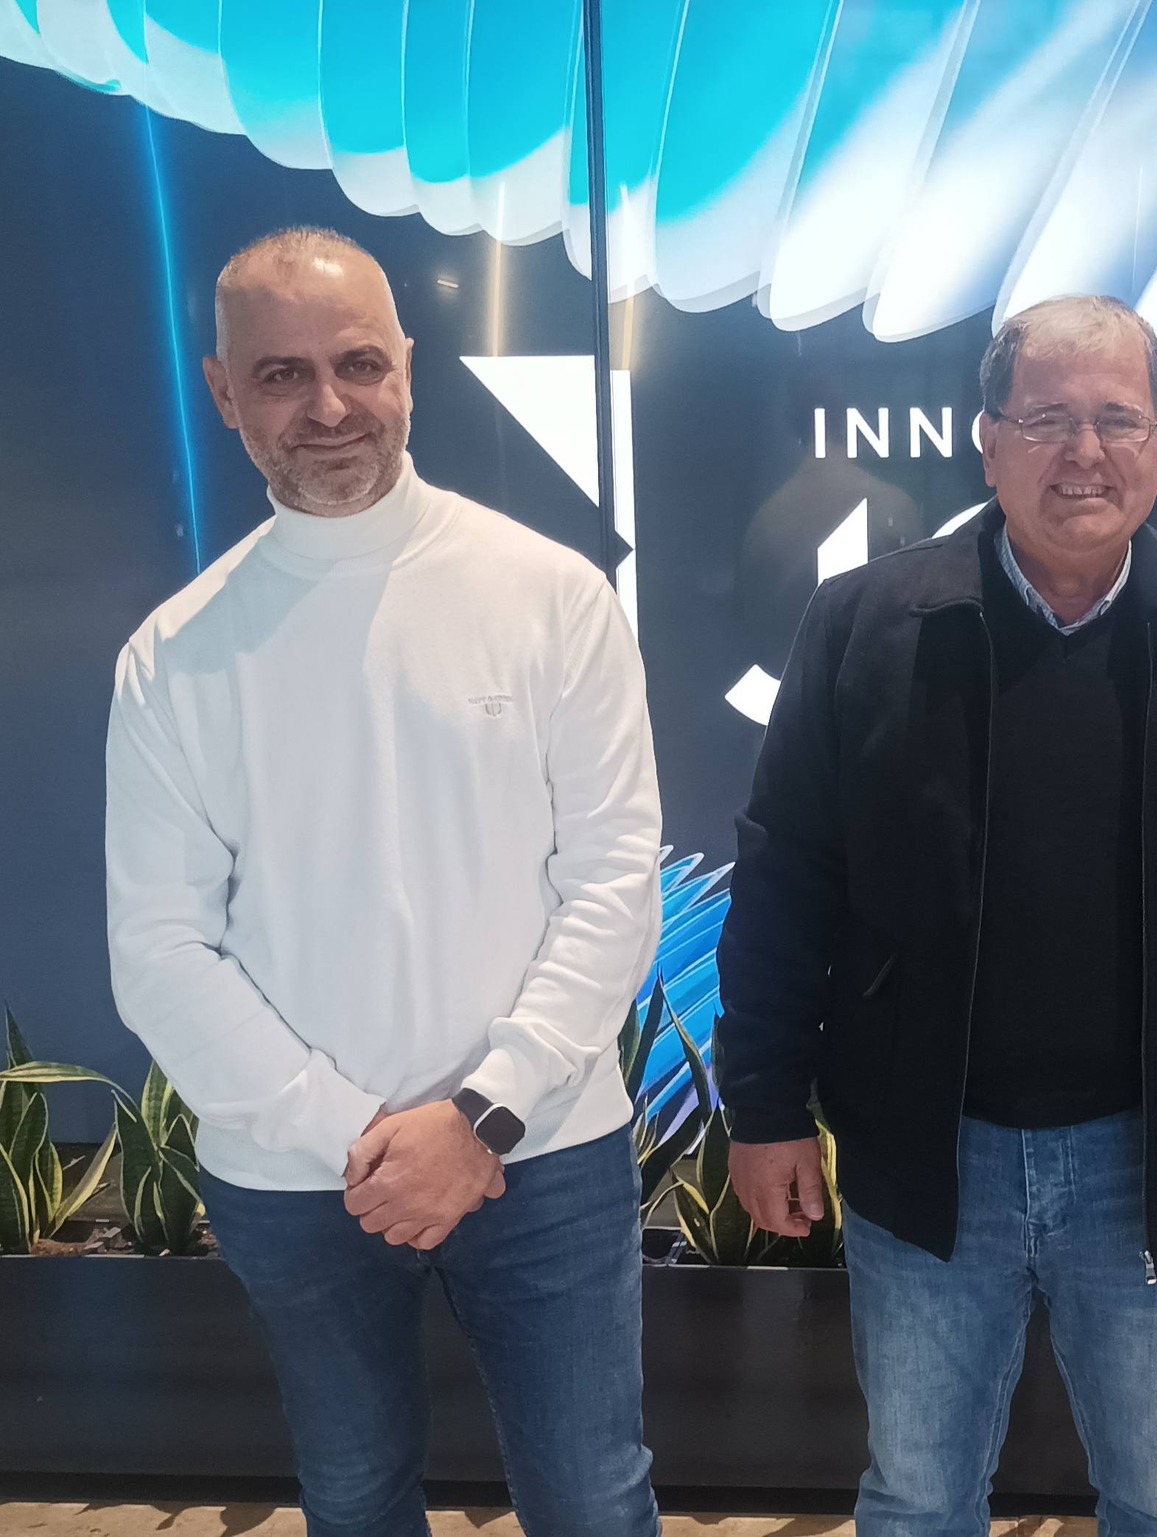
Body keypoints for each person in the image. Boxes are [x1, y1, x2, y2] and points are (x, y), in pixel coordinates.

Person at [715, 294, 1157, 1537]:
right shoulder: (863, 626)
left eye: (1117, 418)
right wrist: (763, 1105)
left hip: (1151, 1155)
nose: (1084, 452)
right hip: (928, 1148)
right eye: (1046, 418)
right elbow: (785, 878)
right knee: (915, 1496)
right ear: (986, 441)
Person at [105, 226, 664, 1537]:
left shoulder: (551, 596)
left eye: (358, 363)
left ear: (407, 364)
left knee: (592, 1500)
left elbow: (613, 880)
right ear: (223, 391)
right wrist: (360, 1139)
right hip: (300, 1180)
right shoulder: (173, 657)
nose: (329, 406)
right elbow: (161, 953)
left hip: (544, 1152)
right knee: (355, 1497)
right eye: (282, 374)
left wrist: (481, 1116)